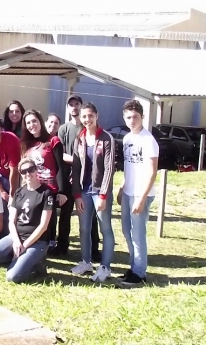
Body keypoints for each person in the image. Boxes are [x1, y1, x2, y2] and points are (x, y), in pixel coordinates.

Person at [0, 156, 56, 283]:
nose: (28, 174)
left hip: (38, 241)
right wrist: (16, 242)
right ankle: (23, 261)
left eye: (31, 169)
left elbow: (43, 226)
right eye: (24, 172)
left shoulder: (46, 193)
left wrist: (24, 246)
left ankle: (36, 262)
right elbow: (11, 221)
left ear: (36, 170)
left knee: (12, 277)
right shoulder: (19, 192)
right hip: (18, 237)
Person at [71, 102, 116, 283]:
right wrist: (77, 195)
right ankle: (86, 262)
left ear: (97, 116)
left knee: (105, 229)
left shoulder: (106, 138)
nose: (87, 119)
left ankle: (105, 267)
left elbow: (109, 168)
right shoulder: (79, 139)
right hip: (84, 191)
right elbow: (75, 169)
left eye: (90, 115)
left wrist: (103, 195)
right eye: (84, 116)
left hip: (100, 192)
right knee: (84, 228)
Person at [118, 99, 159, 287]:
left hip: (141, 194)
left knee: (138, 234)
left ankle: (140, 273)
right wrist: (122, 188)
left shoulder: (148, 140)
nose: (132, 120)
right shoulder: (127, 138)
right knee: (127, 231)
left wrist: (141, 199)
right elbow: (129, 167)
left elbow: (152, 172)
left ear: (142, 117)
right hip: (128, 192)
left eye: (135, 117)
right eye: (128, 117)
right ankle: (133, 267)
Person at [57, 94, 99, 259]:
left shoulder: (88, 127)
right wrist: (76, 164)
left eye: (77, 104)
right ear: (68, 108)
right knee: (65, 213)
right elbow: (60, 153)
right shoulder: (63, 129)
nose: (74, 107)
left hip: (87, 178)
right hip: (68, 177)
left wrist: (81, 168)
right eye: (71, 105)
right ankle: (62, 246)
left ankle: (94, 249)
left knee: (90, 215)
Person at [21, 110, 67, 250]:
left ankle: (50, 243)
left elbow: (60, 167)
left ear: (40, 121)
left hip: (50, 188)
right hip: (32, 187)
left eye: (34, 121)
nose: (32, 125)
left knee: (49, 219)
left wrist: (61, 191)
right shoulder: (26, 144)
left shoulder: (53, 141)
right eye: (28, 122)